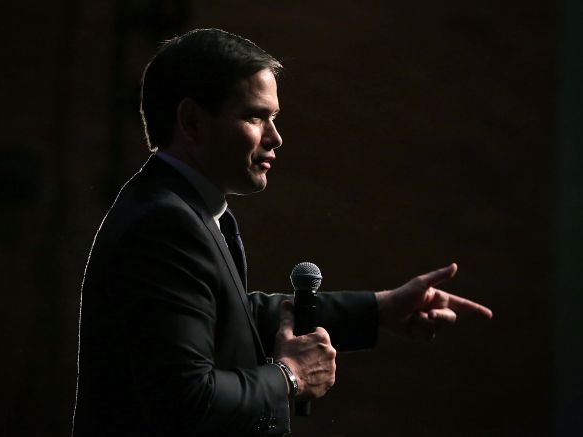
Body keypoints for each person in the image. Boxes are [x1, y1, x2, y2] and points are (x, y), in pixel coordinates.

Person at [71, 28, 492, 436]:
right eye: (255, 117)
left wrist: (380, 310)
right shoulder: (165, 224)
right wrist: (289, 376)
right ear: (192, 121)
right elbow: (185, 398)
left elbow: (232, 317)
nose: (276, 138)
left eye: (273, 118)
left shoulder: (186, 209)